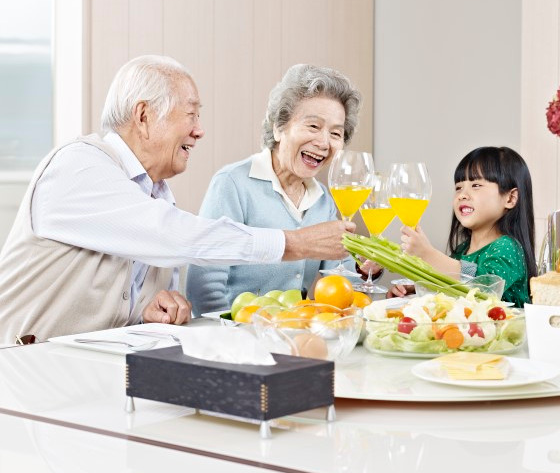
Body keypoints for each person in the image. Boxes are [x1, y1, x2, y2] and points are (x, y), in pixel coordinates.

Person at [0, 55, 356, 344]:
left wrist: (150, 309)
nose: (199, 130)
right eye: (191, 114)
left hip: (84, 375)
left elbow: (125, 293)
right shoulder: (78, 166)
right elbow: (172, 234)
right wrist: (292, 243)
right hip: (24, 370)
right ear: (144, 116)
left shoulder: (156, 196)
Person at [186, 65, 361, 316]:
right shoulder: (233, 184)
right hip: (238, 338)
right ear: (279, 127)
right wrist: (229, 334)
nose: (324, 142)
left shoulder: (324, 200)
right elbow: (203, 289)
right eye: (313, 126)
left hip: (294, 333)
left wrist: (368, 271)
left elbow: (342, 284)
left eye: (335, 133)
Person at [384, 147, 536, 307]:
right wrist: (421, 291)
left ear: (510, 198)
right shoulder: (462, 250)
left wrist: (428, 254)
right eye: (458, 187)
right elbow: (454, 294)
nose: (462, 194)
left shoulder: (507, 247)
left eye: (476, 185)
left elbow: (482, 287)